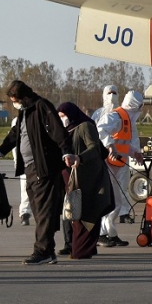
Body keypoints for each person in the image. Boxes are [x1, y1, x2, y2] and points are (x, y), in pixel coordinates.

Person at [0, 80, 77, 265]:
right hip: (30, 169)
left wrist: (67, 151)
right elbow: (15, 134)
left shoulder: (41, 107)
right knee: (39, 210)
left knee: (44, 210)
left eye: (16, 100)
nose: (15, 103)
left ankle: (42, 251)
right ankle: (49, 249)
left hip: (44, 167)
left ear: (24, 97)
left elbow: (58, 130)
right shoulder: (24, 112)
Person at [57, 102, 114, 259]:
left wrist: (79, 157)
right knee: (72, 212)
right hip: (71, 178)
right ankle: (74, 245)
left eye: (64, 116)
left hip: (87, 178)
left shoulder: (85, 126)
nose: (62, 120)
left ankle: (82, 247)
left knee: (84, 213)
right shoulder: (64, 131)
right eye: (60, 117)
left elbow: (94, 148)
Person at [96, 90, 145, 247]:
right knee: (111, 201)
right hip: (108, 164)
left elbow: (123, 142)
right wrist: (110, 147)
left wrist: (135, 153)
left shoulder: (127, 120)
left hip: (119, 164)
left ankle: (111, 233)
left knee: (116, 201)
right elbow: (100, 129)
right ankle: (102, 234)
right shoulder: (115, 116)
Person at [11, 116, 33, 226]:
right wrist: (16, 159)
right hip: (24, 160)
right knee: (25, 187)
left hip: (39, 160)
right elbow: (14, 142)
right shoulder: (17, 120)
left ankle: (41, 214)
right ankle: (25, 213)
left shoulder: (41, 116)